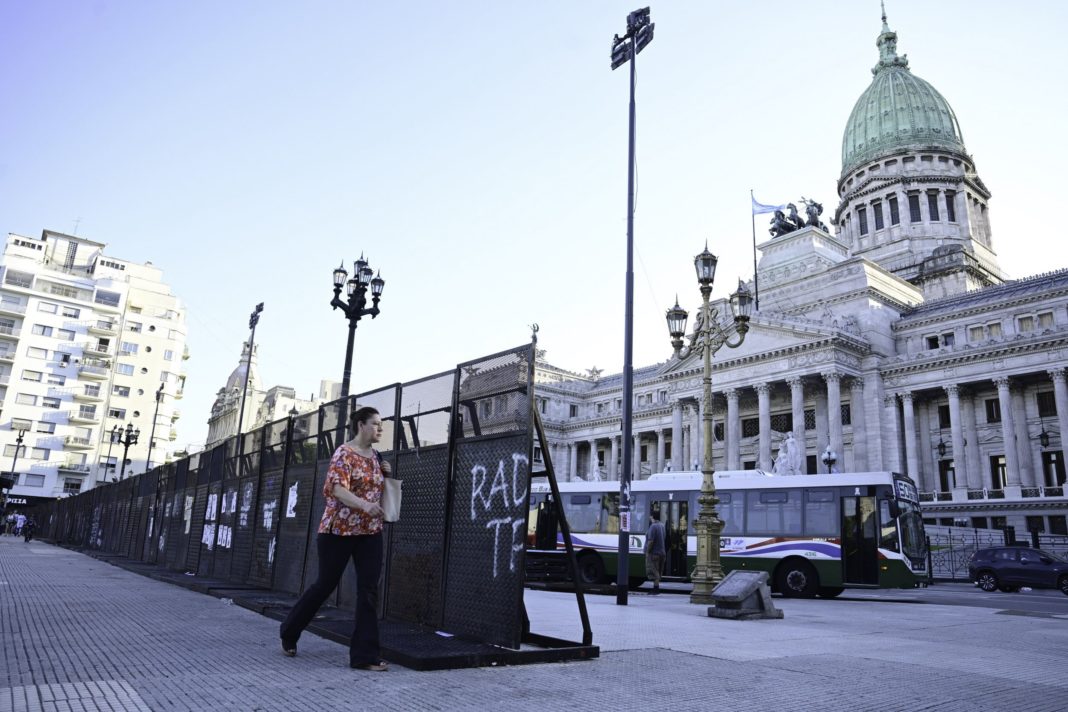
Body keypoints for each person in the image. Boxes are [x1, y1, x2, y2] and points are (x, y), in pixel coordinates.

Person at [279, 406, 391, 671]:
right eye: (376, 424)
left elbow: (373, 488)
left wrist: (384, 472)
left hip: (370, 532)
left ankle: (365, 657)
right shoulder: (343, 453)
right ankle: (289, 630)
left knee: (369, 591)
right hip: (338, 531)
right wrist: (364, 506)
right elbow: (337, 489)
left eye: (381, 425)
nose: (380, 429)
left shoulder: (376, 456)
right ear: (360, 425)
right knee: (325, 585)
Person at [645, 511, 666, 594]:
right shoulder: (662, 526)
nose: (650, 517)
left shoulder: (653, 526)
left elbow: (651, 541)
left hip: (654, 553)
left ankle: (656, 589)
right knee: (658, 570)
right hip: (662, 552)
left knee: (654, 571)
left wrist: (648, 551)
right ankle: (655, 588)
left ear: (652, 517)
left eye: (650, 516)